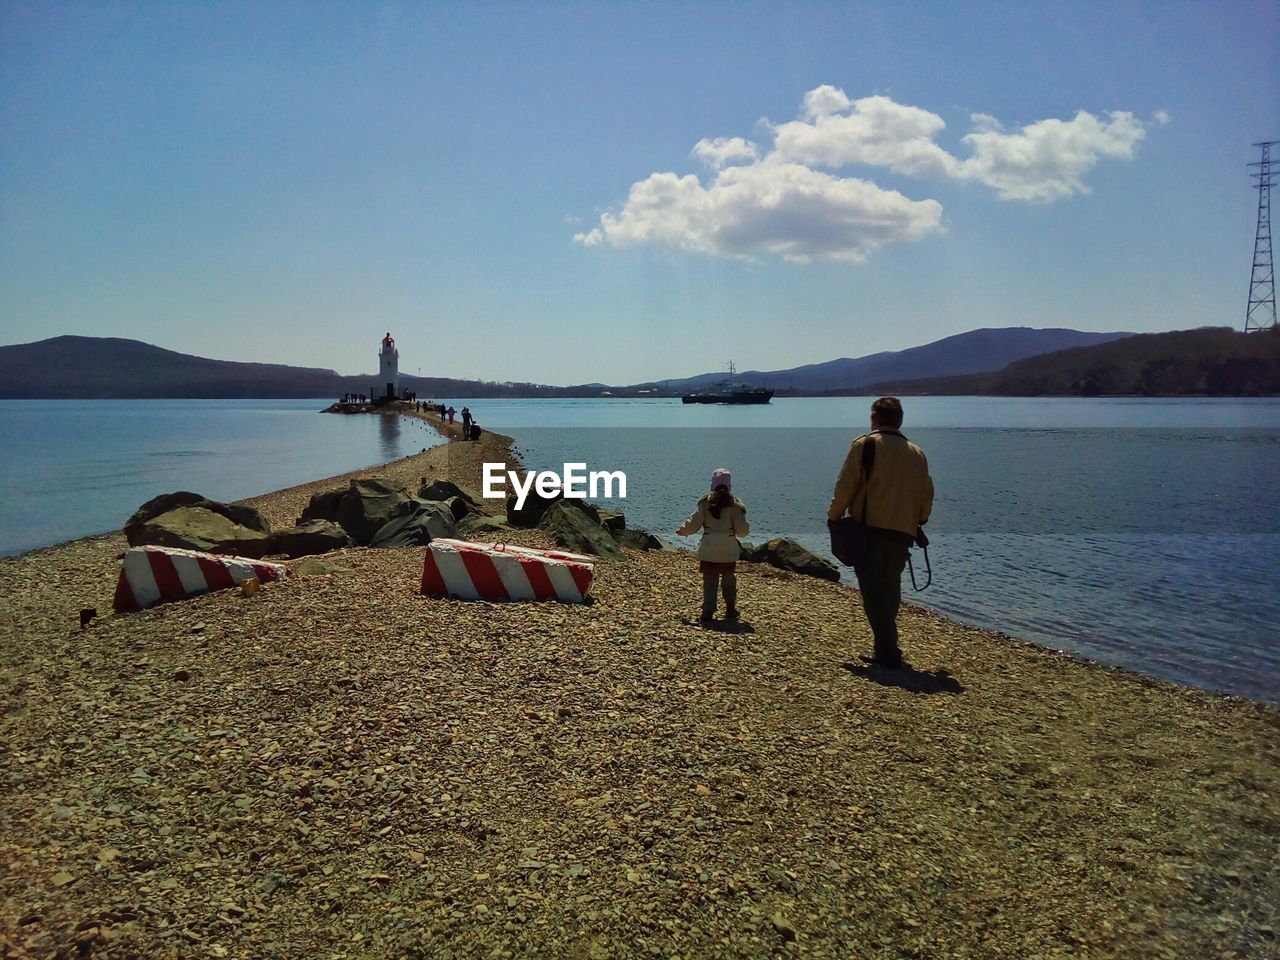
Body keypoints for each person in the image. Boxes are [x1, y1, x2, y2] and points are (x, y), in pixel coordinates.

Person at [827, 396, 933, 669]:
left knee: (873, 592)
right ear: (900, 420)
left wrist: (834, 516)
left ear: (874, 418)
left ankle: (887, 652)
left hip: (869, 530)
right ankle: (885, 646)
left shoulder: (865, 445)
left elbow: (846, 485)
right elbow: (926, 493)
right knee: (889, 588)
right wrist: (920, 520)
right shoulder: (916, 453)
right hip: (902, 532)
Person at [677, 468, 749, 625]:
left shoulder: (705, 503)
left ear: (713, 484)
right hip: (728, 548)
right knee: (729, 579)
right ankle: (730, 609)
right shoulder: (736, 505)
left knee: (710, 579)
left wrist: (683, 531)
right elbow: (742, 531)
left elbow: (693, 523)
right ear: (729, 485)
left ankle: (707, 612)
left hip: (709, 547)